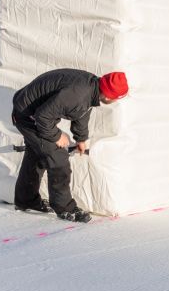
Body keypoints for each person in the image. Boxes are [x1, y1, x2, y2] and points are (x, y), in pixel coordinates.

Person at [11, 69, 129, 222]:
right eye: (115, 99)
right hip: (29, 116)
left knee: (37, 155)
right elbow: (43, 116)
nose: (115, 102)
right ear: (108, 95)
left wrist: (81, 138)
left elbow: (82, 112)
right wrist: (57, 136)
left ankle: (26, 200)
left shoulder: (91, 87)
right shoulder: (78, 94)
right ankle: (65, 208)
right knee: (58, 158)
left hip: (33, 111)